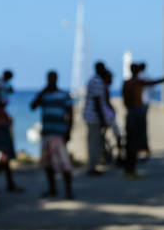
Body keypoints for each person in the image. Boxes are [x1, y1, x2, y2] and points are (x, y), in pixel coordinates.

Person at [122, 64, 164, 179]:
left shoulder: (126, 83)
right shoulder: (138, 82)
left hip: (130, 113)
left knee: (130, 142)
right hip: (137, 113)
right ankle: (131, 169)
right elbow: (156, 82)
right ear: (137, 71)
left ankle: (129, 169)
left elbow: (124, 100)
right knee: (135, 141)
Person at [30, 71, 75, 199]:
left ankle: (69, 191)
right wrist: (42, 92)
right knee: (47, 164)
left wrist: (68, 132)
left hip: (59, 133)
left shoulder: (63, 95)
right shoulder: (44, 95)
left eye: (53, 78)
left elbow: (70, 115)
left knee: (64, 163)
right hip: (46, 133)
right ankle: (52, 189)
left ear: (56, 79)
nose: (51, 81)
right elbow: (33, 106)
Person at [83, 61, 108, 176]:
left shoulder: (92, 80)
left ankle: (93, 165)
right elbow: (98, 101)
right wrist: (102, 119)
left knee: (92, 141)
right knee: (94, 143)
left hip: (90, 115)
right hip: (94, 116)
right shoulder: (97, 82)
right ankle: (92, 167)